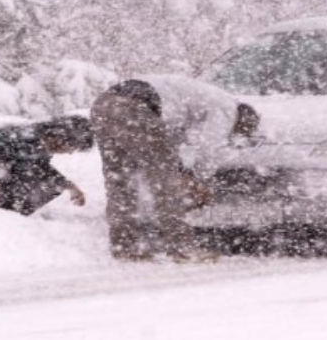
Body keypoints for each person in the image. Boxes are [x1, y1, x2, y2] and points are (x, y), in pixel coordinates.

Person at [90, 76, 259, 262]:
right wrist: (200, 180)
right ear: (242, 121)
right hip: (134, 108)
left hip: (104, 104)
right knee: (167, 186)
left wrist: (185, 173)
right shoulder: (227, 108)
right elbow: (210, 147)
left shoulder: (194, 99)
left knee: (120, 182)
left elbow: (167, 142)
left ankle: (124, 246)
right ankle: (183, 248)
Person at [0, 115, 94, 215]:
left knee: (47, 183)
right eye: (73, 147)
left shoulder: (37, 142)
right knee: (44, 184)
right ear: (63, 138)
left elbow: (41, 168)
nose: (70, 153)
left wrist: (69, 186)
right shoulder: (25, 138)